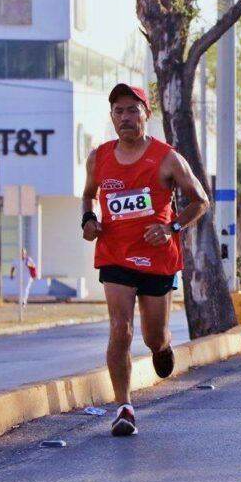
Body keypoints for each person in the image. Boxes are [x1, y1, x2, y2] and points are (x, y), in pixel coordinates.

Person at [82, 84, 210, 437]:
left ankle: (162, 346)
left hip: (157, 257)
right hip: (115, 254)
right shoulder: (99, 157)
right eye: (119, 111)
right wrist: (88, 221)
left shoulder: (167, 157)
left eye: (132, 110)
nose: (125, 117)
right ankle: (124, 406)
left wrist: (171, 227)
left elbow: (200, 201)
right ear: (112, 117)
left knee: (153, 335)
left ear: (146, 115)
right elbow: (88, 197)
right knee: (120, 328)